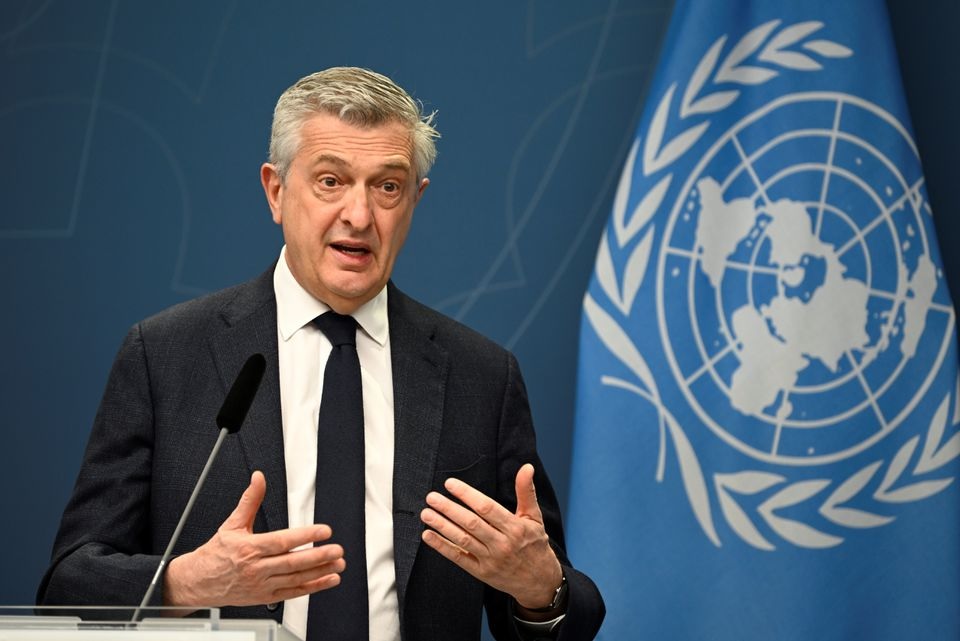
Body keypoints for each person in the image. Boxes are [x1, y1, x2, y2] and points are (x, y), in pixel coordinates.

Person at [37, 67, 604, 641]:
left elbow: (565, 611)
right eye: (331, 181)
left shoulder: (481, 376)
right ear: (276, 191)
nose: (359, 216)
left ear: (415, 200)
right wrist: (185, 583)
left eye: (387, 186)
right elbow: (67, 588)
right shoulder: (165, 357)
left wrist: (541, 590)